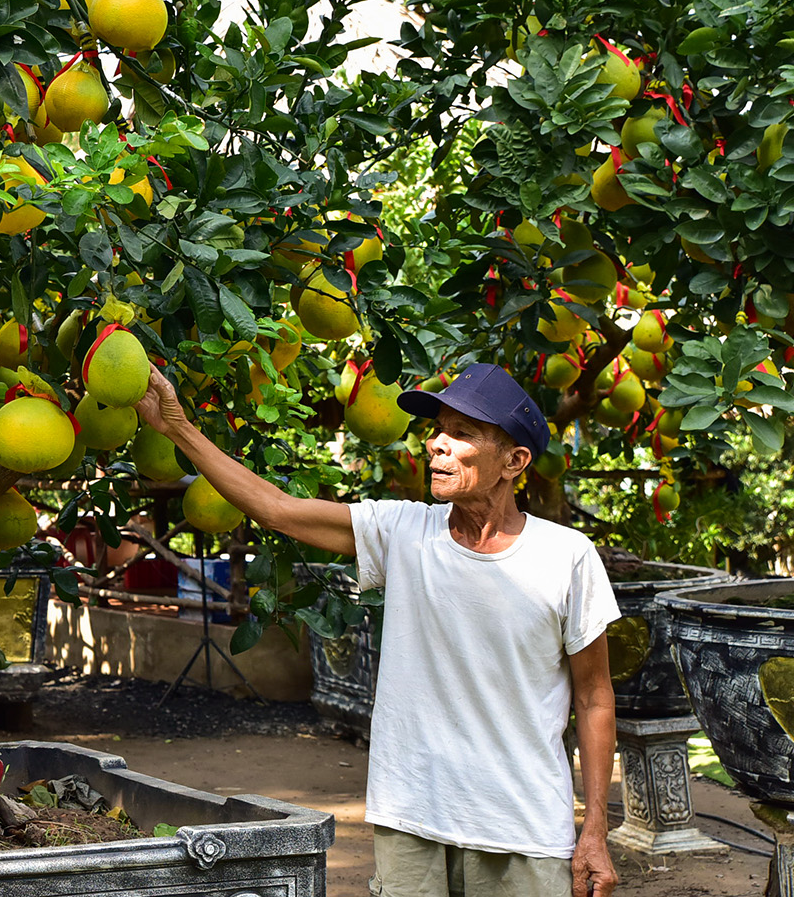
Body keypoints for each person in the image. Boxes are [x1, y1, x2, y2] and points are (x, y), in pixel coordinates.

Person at [133, 360, 620, 897]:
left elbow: (595, 698)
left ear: (515, 460)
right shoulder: (402, 531)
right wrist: (177, 425)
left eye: (462, 434)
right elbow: (275, 509)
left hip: (524, 830)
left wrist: (594, 831)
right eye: (437, 430)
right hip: (412, 815)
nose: (436, 444)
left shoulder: (566, 556)